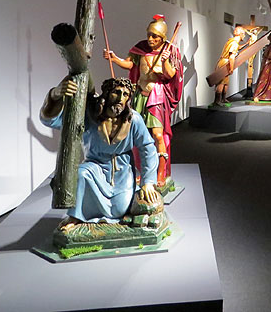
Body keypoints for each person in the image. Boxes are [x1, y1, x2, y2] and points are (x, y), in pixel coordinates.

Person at [41, 77, 161, 230]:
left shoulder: (133, 119)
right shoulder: (89, 115)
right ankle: (75, 216)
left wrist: (148, 182)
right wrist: (55, 95)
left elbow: (147, 148)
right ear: (106, 94)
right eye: (116, 92)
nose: (120, 98)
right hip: (94, 166)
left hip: (122, 172)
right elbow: (50, 120)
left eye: (125, 94)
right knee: (80, 174)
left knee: (120, 209)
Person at [103, 15, 183, 189]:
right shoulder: (140, 49)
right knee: (139, 135)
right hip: (140, 95)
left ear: (162, 37)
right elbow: (131, 65)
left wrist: (164, 61)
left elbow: (171, 75)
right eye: (149, 35)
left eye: (155, 37)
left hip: (157, 97)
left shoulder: (170, 51)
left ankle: (161, 172)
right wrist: (114, 59)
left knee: (158, 135)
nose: (151, 39)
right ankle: (144, 170)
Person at [213, 26, 246, 106]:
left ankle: (223, 99)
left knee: (225, 82)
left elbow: (238, 48)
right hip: (225, 62)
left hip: (223, 62)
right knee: (221, 82)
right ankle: (217, 101)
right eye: (244, 34)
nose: (244, 36)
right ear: (241, 34)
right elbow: (231, 57)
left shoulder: (232, 41)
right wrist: (231, 68)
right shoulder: (234, 43)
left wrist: (247, 43)